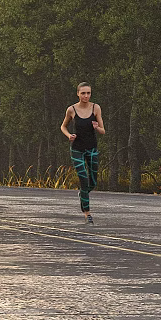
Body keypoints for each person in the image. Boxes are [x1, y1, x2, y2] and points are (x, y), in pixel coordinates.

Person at [60, 82, 105, 224]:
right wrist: (68, 135)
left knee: (92, 182)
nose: (86, 96)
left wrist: (97, 128)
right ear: (78, 94)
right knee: (83, 179)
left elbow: (103, 131)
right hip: (77, 149)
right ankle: (87, 213)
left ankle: (82, 193)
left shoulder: (95, 108)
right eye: (83, 93)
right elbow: (63, 126)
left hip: (92, 149)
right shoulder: (71, 109)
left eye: (88, 93)